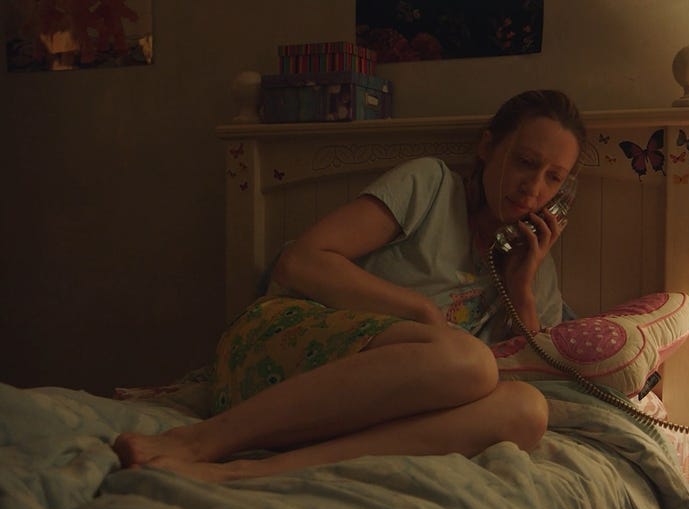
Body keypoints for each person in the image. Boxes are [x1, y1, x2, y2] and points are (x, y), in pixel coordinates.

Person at [112, 90, 587, 482]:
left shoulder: (533, 266)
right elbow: (300, 262)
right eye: (525, 162)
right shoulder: (430, 185)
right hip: (287, 348)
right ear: (487, 148)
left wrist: (521, 288)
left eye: (553, 179)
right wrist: (420, 312)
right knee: (468, 360)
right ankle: (199, 440)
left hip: (382, 405)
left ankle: (253, 472)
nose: (533, 188)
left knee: (528, 411)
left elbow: (528, 376)